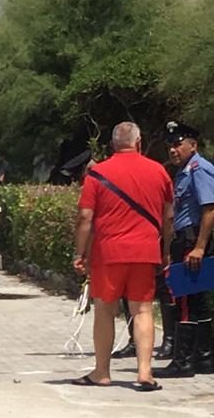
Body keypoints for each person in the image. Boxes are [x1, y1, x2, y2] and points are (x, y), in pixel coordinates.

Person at [72, 122, 173, 390]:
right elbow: (169, 216)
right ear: (138, 143)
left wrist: (79, 253)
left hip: (108, 253)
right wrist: (165, 251)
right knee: (142, 310)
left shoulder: (98, 174)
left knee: (105, 310)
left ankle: (102, 372)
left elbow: (85, 217)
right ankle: (144, 373)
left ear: (113, 145)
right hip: (145, 251)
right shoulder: (159, 171)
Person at [159, 120, 214, 376]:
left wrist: (200, 247)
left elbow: (209, 210)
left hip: (193, 241)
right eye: (170, 145)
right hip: (186, 240)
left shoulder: (198, 169)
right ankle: (203, 357)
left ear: (193, 145)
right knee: (197, 301)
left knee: (184, 302)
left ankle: (182, 362)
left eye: (178, 144)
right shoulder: (184, 171)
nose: (172, 149)